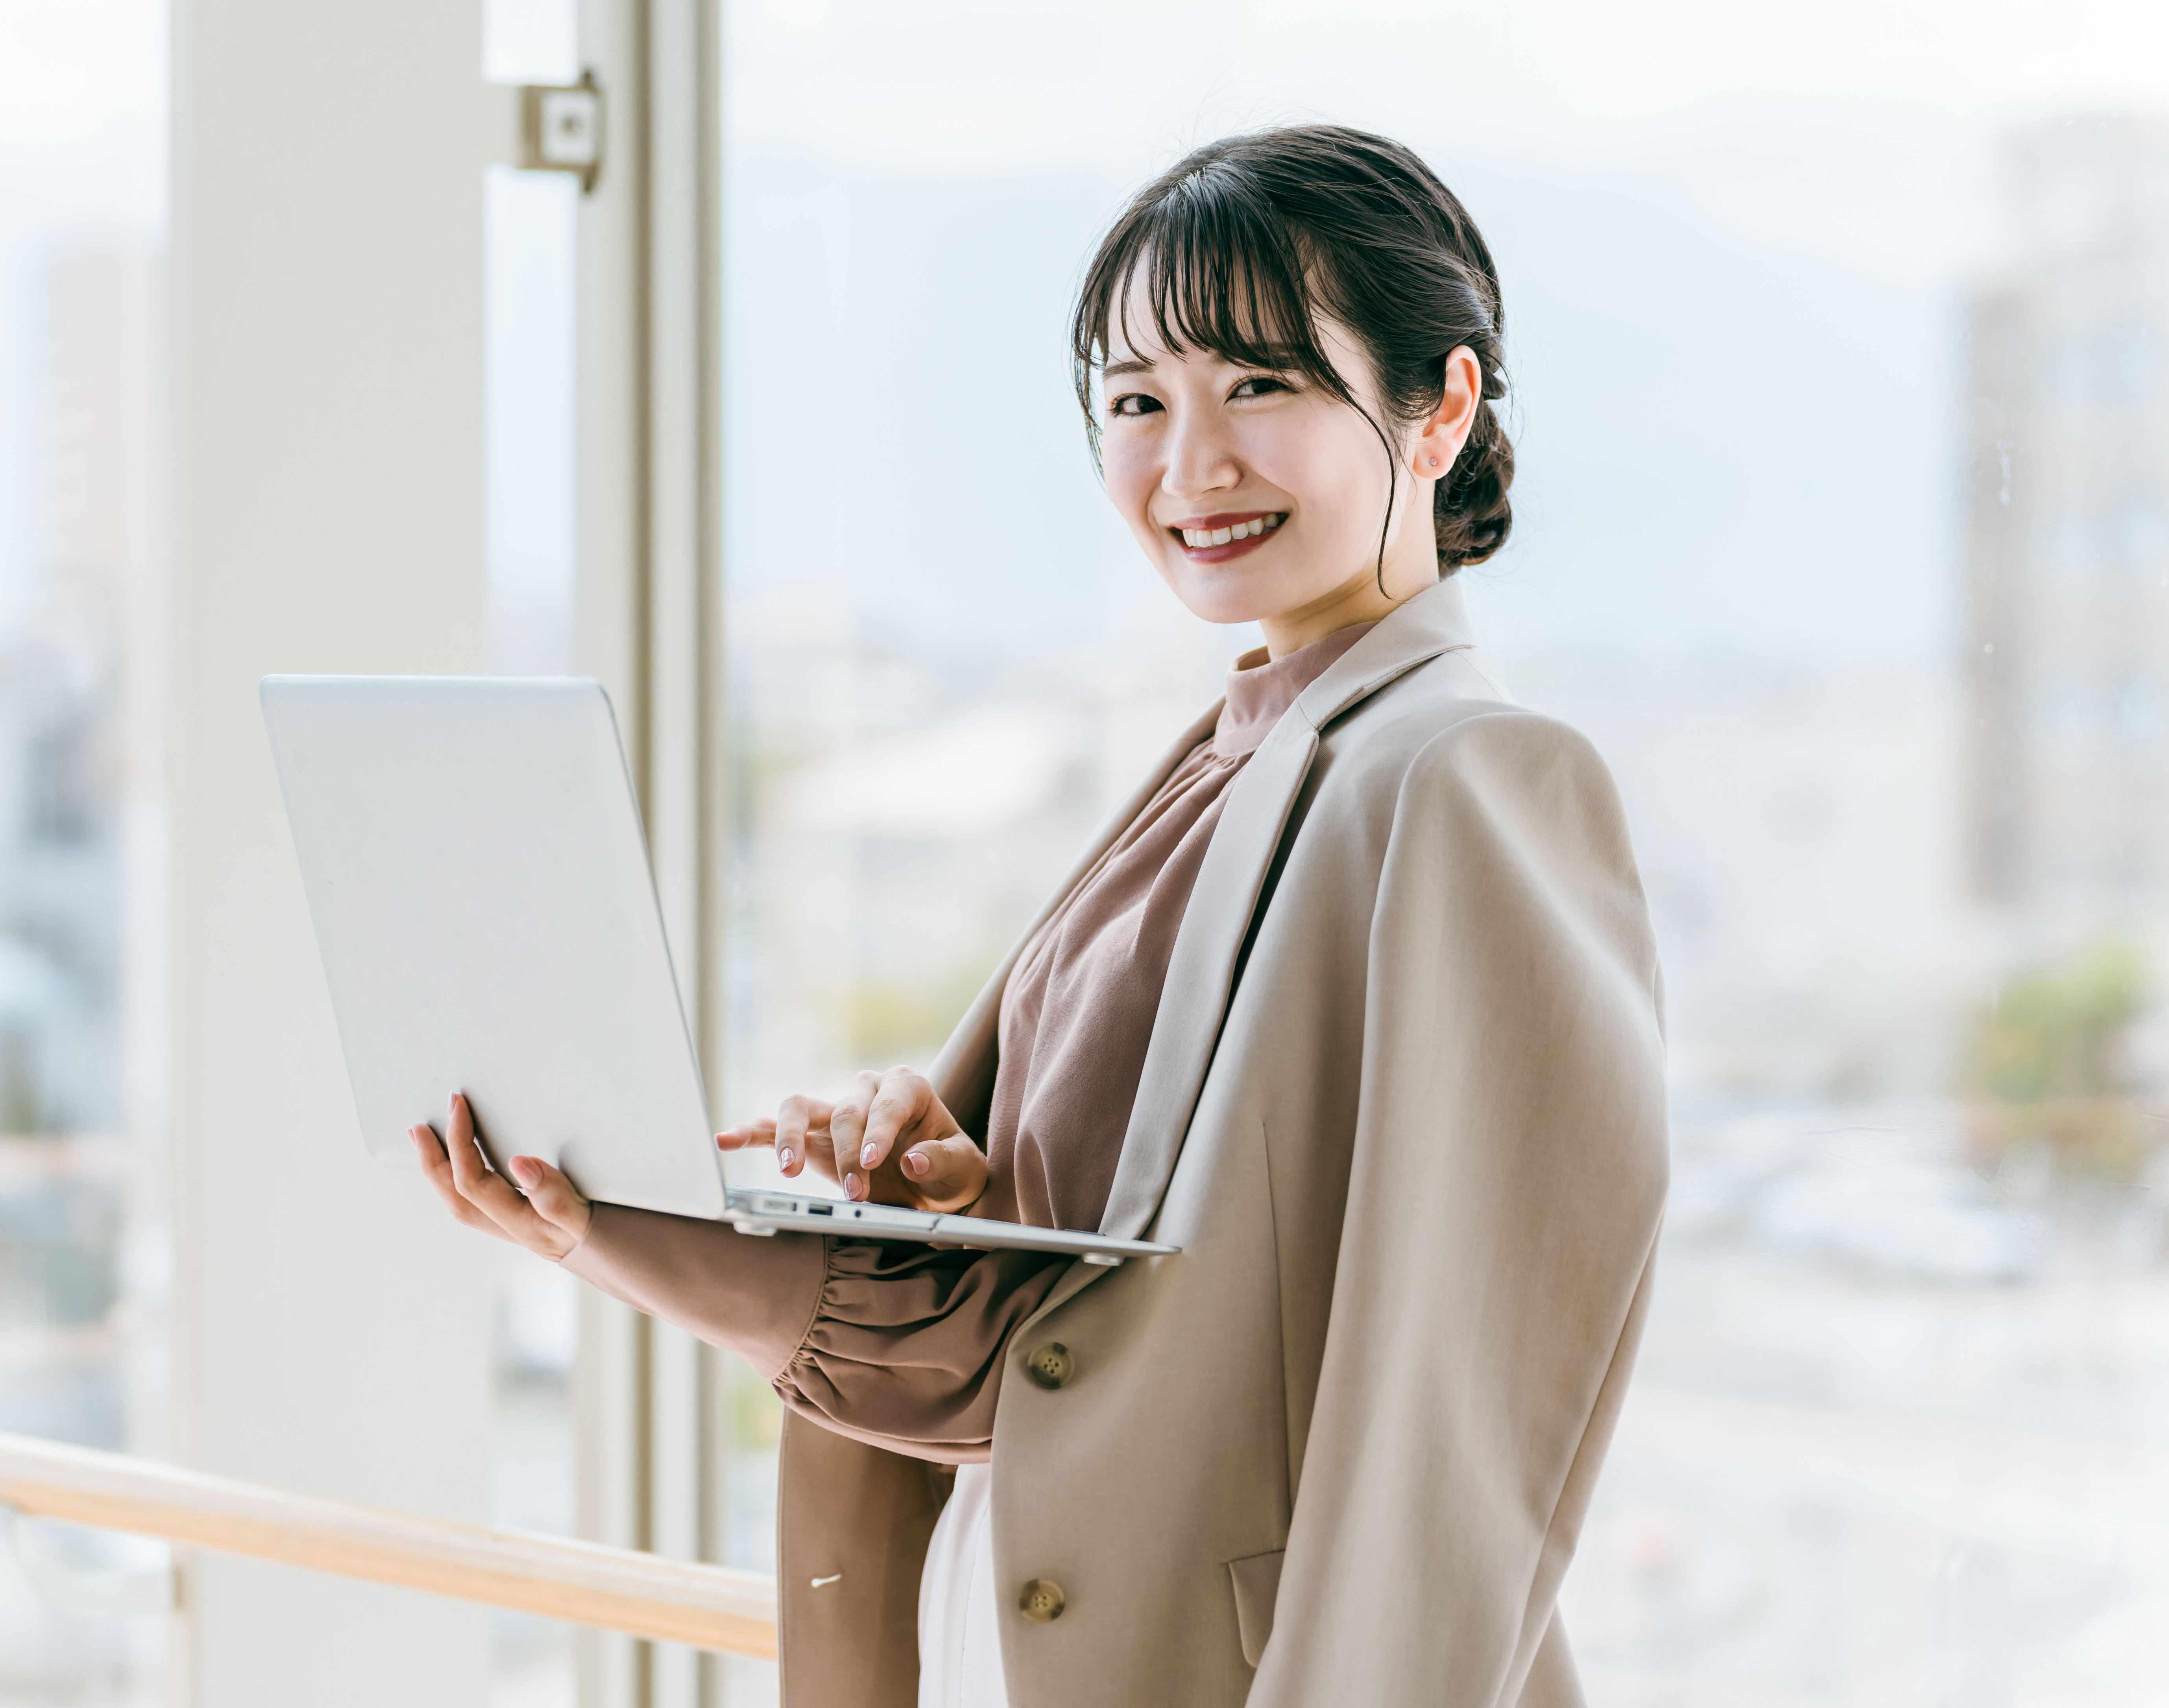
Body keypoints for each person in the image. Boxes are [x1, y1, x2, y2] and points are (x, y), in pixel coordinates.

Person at [412, 125, 1666, 1708]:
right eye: (1139, 402)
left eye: (1261, 386)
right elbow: (1064, 1332)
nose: (1190, 464)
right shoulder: (1234, 759)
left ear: (1442, 411)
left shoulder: (1473, 777)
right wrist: (885, 1186)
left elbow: (1463, 1441)